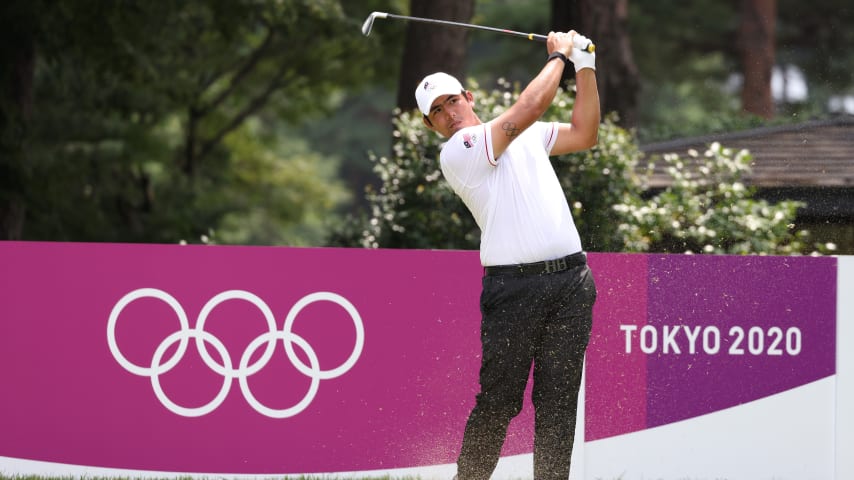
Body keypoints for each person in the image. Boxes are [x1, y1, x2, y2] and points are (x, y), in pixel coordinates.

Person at [414, 30, 600, 480]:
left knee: (557, 402)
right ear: (430, 126)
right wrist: (560, 56)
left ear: (468, 97)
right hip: (513, 287)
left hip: (571, 283)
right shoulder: (459, 151)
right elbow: (530, 106)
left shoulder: (528, 136)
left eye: (451, 101)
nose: (447, 113)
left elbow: (585, 134)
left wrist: (587, 67)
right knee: (499, 400)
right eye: (436, 112)